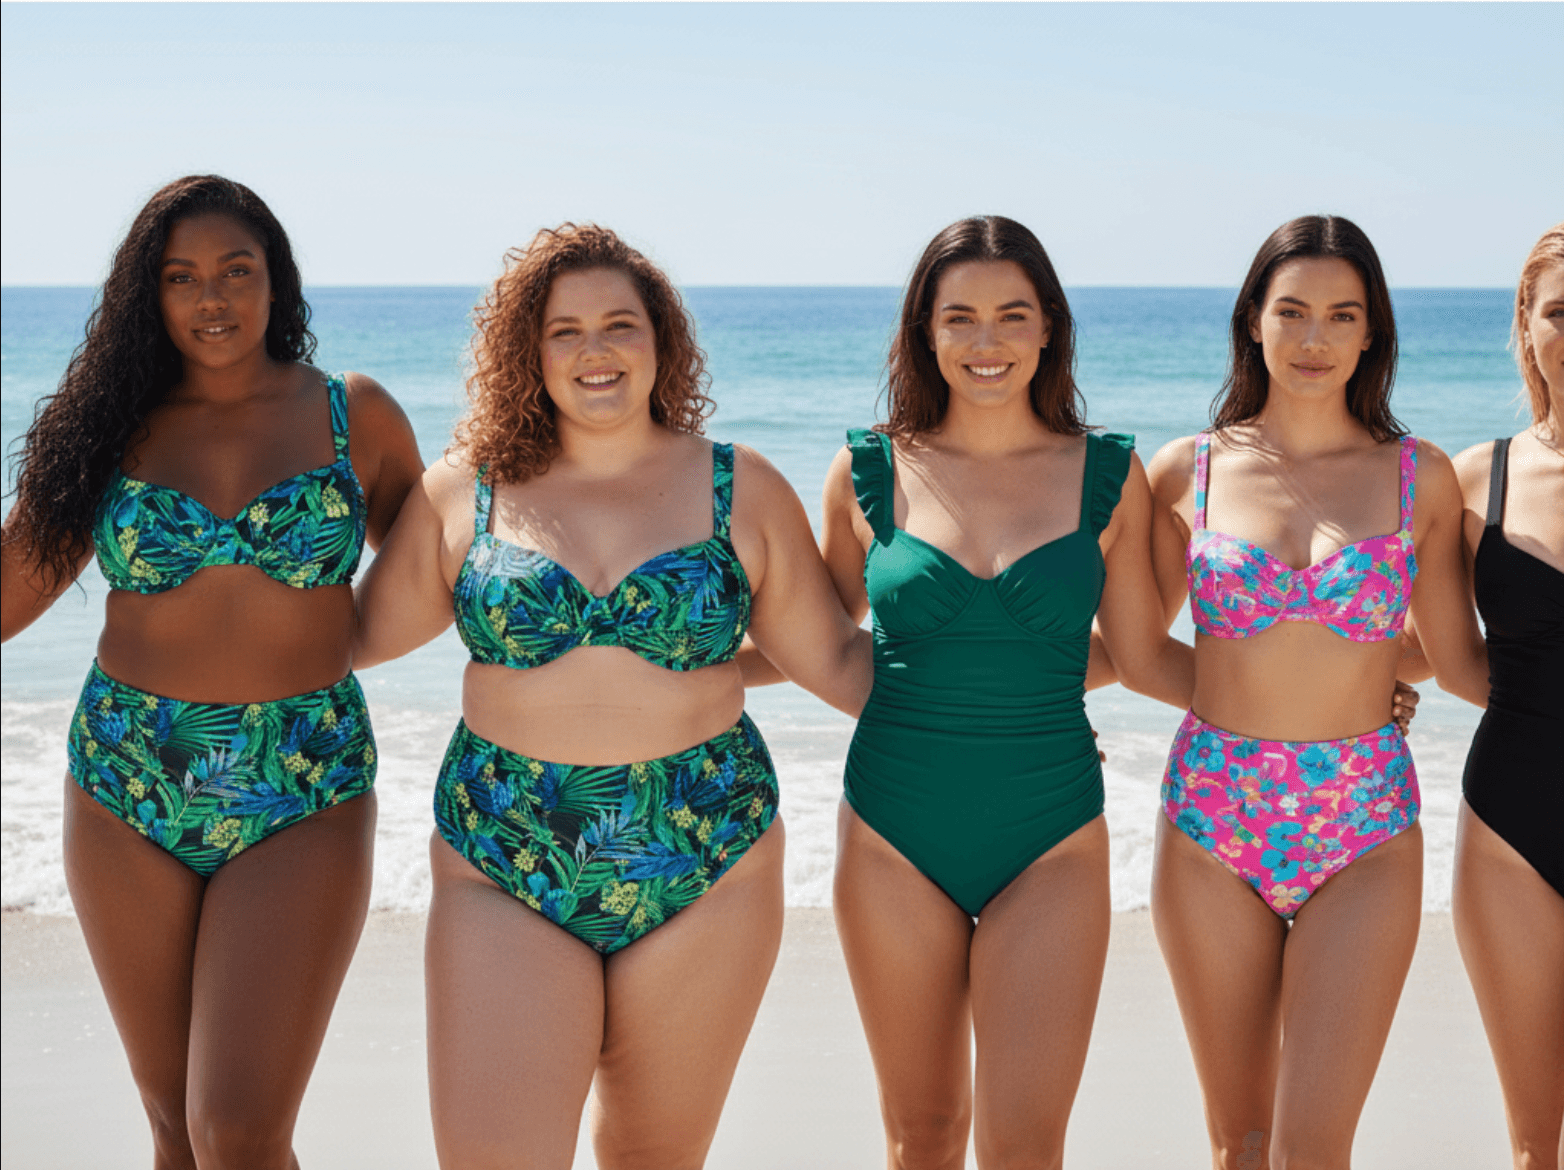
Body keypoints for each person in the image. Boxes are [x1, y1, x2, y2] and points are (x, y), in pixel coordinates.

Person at [352, 223, 869, 1168]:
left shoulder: (741, 486)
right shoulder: (466, 490)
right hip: (504, 851)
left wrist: (1014, 721)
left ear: (660, 341)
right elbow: (340, 643)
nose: (596, 350)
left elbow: (835, 661)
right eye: (566, 331)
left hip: (706, 850)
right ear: (530, 352)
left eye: (620, 325)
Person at [0, 175, 423, 1168]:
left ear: (277, 280)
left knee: (237, 1130)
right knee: (173, 1129)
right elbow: (14, 587)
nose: (212, 297)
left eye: (237, 270)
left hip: (303, 779)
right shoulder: (107, 426)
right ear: (148, 295)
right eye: (181, 277)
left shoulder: (352, 415)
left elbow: (448, 576)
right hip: (125, 777)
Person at [813, 215, 1194, 1168]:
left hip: (1051, 833)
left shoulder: (1107, 474)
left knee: (1026, 1146)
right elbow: (816, 645)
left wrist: (1343, 696)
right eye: (960, 317)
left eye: (1012, 315)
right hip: (892, 831)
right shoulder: (868, 470)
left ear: (1049, 327)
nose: (987, 341)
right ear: (926, 331)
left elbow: (1143, 657)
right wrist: (663, 677)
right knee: (923, 1135)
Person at [1145, 214, 1484, 1168]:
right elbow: (1133, 652)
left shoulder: (1419, 477)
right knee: (1240, 1140)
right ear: (1253, 319)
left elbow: (1453, 656)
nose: (1313, 338)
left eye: (1342, 315)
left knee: (1314, 1147)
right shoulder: (1186, 472)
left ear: (1372, 332)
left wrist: (1368, 680)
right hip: (1213, 815)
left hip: (1363, 820)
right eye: (1291, 310)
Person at [1443, 223, 1563, 1169]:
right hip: (1510, 826)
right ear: (1526, 325)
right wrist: (1364, 697)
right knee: (1534, 1142)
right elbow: (1435, 652)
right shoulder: (1475, 478)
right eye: (1561, 312)